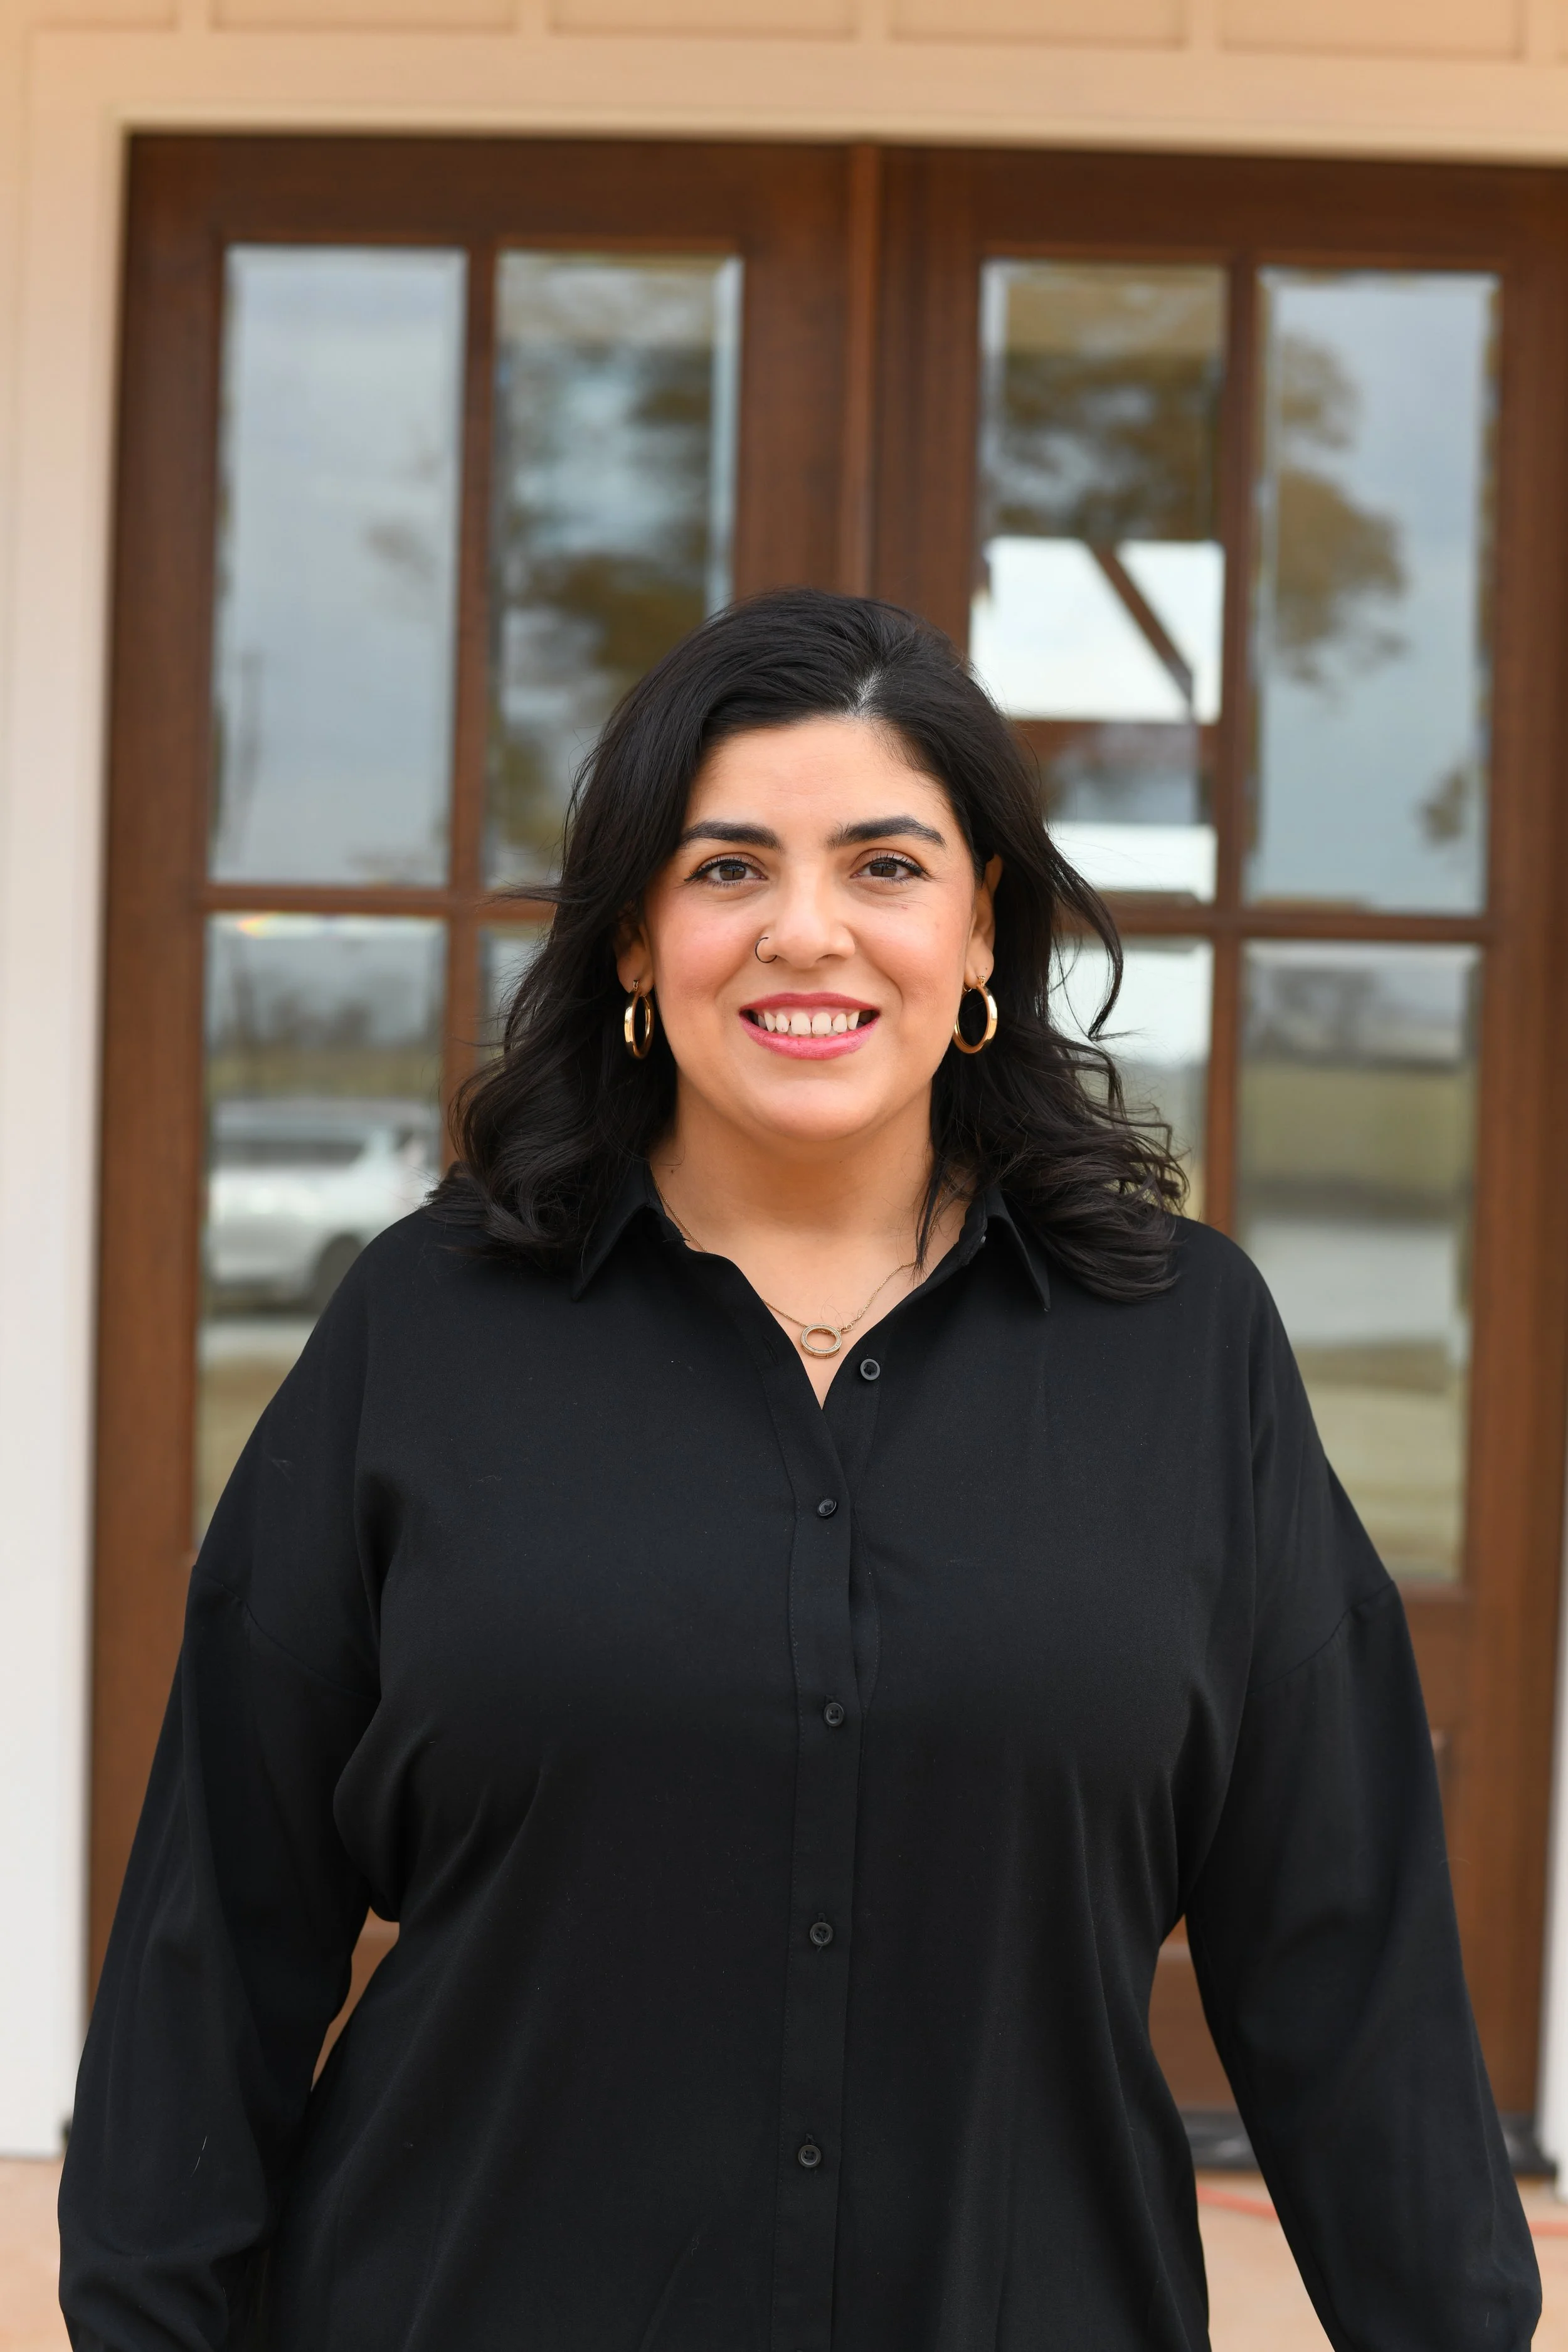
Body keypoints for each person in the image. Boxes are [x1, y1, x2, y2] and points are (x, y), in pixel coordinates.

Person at [60, 588, 1537, 2350]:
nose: (805, 932)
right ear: (632, 942)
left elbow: (1342, 1960)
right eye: (727, 868)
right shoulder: (423, 1332)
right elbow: (214, 1933)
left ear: (983, 927)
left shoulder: (1185, 1351)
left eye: (887, 866)